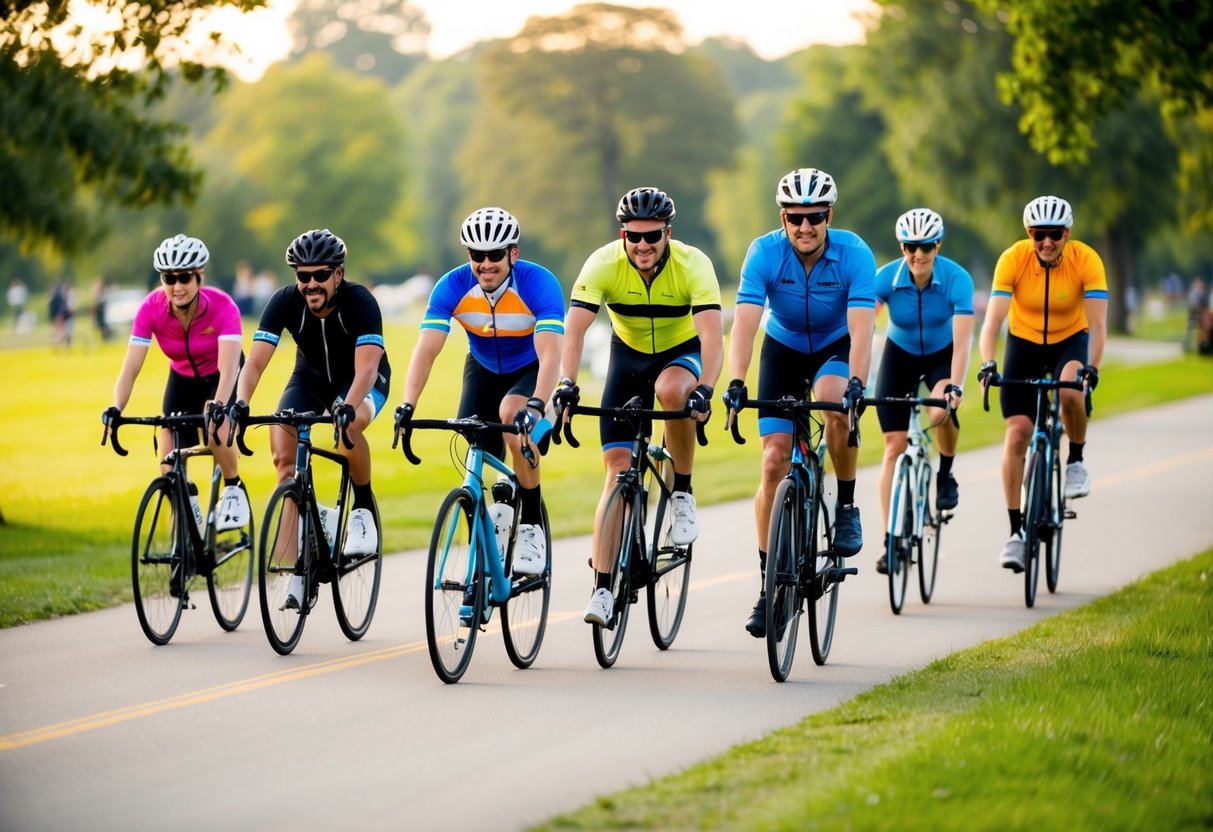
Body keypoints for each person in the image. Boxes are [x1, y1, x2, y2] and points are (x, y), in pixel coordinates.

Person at [555, 187, 723, 627]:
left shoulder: (694, 264)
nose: (643, 246)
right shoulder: (602, 263)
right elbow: (573, 333)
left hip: (680, 354)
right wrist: (566, 384)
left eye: (653, 237)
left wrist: (705, 388)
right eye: (634, 237)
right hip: (626, 358)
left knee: (672, 391)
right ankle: (603, 588)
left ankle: (682, 490)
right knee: (616, 473)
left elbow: (712, 337)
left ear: (668, 232)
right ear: (622, 233)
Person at [721, 168, 875, 638]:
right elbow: (745, 323)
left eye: (815, 217)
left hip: (834, 345)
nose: (805, 227)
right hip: (784, 347)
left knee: (831, 402)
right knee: (773, 461)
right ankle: (770, 584)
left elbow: (863, 328)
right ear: (782, 217)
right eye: (795, 218)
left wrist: (856, 383)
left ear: (830, 215)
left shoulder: (854, 254)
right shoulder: (764, 252)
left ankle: (845, 505)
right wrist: (735, 381)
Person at [397, 207, 565, 575]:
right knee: (471, 437)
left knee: (512, 417)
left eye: (495, 255)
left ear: (513, 254)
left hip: (532, 368)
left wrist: (537, 404)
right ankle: (487, 547)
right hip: (483, 368)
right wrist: (407, 405)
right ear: (468, 255)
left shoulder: (539, 283)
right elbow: (426, 350)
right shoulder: (453, 286)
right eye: (477, 255)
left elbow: (552, 353)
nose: (485, 263)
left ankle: (532, 522)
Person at [231, 228, 390, 609]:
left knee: (346, 428)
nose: (312, 284)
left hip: (362, 379)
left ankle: (363, 506)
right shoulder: (284, 302)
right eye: (304, 276)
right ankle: (296, 568)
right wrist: (240, 402)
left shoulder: (361, 302)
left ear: (339, 273)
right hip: (309, 378)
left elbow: (367, 368)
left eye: (321, 275)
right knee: (284, 456)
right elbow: (254, 362)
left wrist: (347, 405)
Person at [978, 195, 1106, 573]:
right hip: (1024, 342)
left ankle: (1076, 460)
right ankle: (1016, 532)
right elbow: (993, 322)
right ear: (1028, 233)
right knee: (1018, 433)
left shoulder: (1087, 260)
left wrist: (1092, 367)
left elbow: (1098, 325)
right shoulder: (1013, 259)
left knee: (1069, 388)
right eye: (1038, 234)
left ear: (1067, 233)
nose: (1046, 242)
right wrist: (988, 361)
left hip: (1071, 338)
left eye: (1054, 234)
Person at [104, 233, 249, 532]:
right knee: (168, 462)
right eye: (169, 279)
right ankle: (187, 515)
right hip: (182, 378)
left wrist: (219, 407)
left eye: (184, 278)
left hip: (222, 377)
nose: (177, 286)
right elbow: (130, 368)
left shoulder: (224, 307)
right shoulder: (151, 308)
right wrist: (116, 407)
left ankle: (234, 488)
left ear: (199, 277)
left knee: (215, 430)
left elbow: (229, 368)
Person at [871, 209, 973, 574]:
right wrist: (857, 377)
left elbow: (962, 343)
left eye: (926, 246)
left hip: (941, 358)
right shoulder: (885, 278)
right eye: (910, 246)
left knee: (938, 411)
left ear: (938, 245)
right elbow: (864, 325)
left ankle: (945, 473)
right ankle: (889, 541)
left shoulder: (956, 279)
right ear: (902, 246)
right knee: (893, 448)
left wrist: (956, 384)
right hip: (899, 356)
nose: (918, 254)